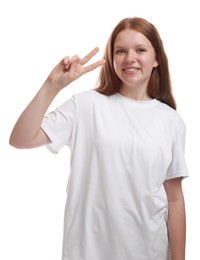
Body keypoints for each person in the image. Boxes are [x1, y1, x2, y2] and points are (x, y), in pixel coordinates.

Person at [9, 17, 188, 260]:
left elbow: (175, 198)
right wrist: (52, 85)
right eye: (120, 51)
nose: (130, 58)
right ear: (112, 58)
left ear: (156, 58)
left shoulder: (171, 120)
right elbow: (20, 139)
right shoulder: (86, 105)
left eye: (140, 50)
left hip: (149, 252)